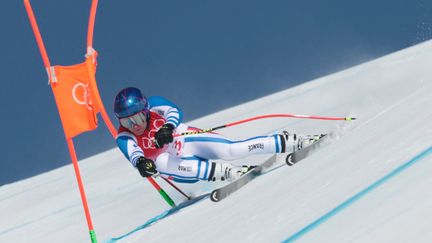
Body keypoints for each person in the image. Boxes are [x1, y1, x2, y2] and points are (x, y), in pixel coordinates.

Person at [114, 87, 322, 183]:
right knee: (158, 161)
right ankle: (224, 172)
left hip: (183, 139)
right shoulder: (124, 136)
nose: (134, 125)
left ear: (145, 109)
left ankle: (291, 141)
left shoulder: (155, 103)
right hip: (175, 166)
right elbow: (132, 153)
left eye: (138, 118)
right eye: (126, 121)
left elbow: (174, 111)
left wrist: (168, 128)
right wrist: (142, 163)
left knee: (231, 149)